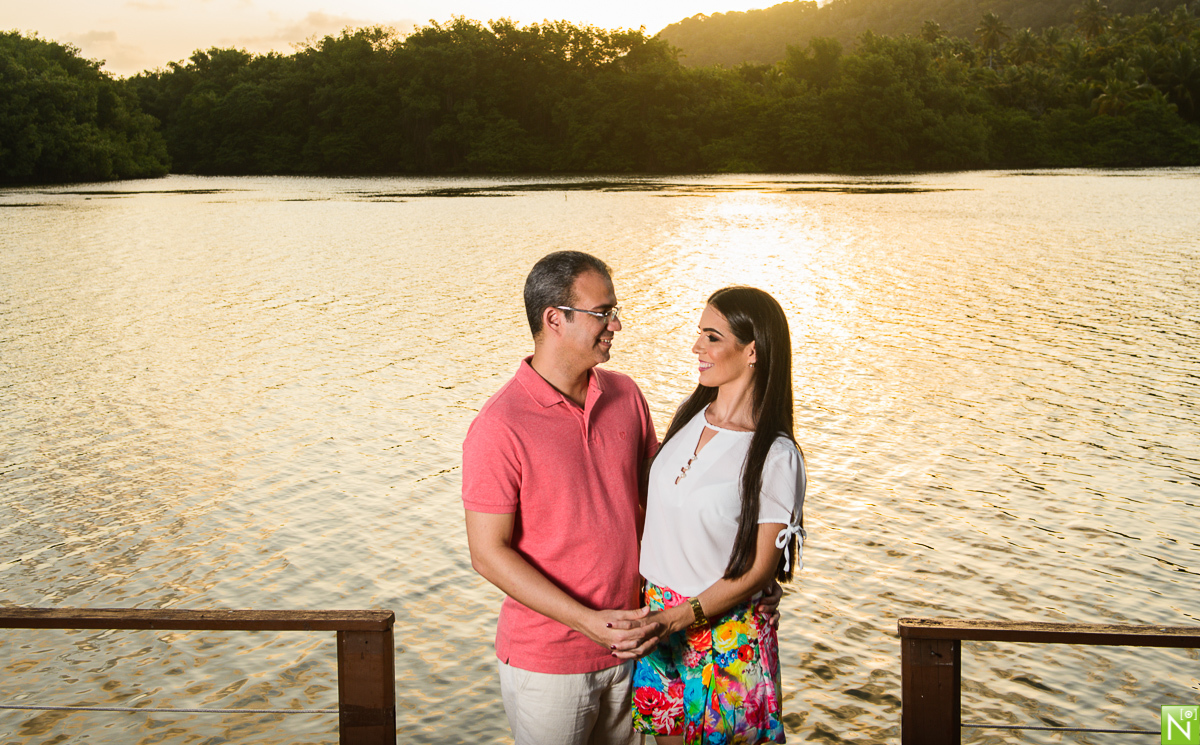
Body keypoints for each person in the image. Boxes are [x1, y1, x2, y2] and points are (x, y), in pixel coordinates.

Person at [462, 251, 663, 745]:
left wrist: (741, 571)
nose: (615, 324)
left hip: (637, 647)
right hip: (550, 663)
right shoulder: (499, 426)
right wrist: (588, 623)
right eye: (603, 313)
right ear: (555, 318)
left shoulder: (626, 394)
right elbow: (488, 554)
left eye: (615, 312)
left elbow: (664, 502)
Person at [631, 287, 807, 745]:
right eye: (699, 335)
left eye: (712, 337)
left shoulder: (775, 454)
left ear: (752, 350)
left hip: (723, 638)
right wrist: (661, 620)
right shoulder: (692, 415)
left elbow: (761, 569)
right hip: (658, 630)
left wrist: (677, 617)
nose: (697, 348)